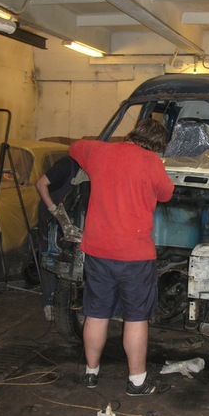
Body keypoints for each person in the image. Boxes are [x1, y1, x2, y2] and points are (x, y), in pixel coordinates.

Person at [69, 118, 174, 395]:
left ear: (133, 133)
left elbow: (74, 147)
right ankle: (136, 382)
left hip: (98, 251)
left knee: (96, 313)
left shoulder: (99, 152)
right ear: (158, 145)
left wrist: (105, 148)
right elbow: (166, 194)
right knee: (136, 317)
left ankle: (91, 373)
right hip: (135, 255)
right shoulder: (151, 162)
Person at [36, 155, 79, 321]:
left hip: (69, 216)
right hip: (51, 216)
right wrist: (54, 210)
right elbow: (41, 184)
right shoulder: (66, 165)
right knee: (50, 256)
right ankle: (49, 302)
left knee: (69, 257)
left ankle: (65, 301)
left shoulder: (88, 169)